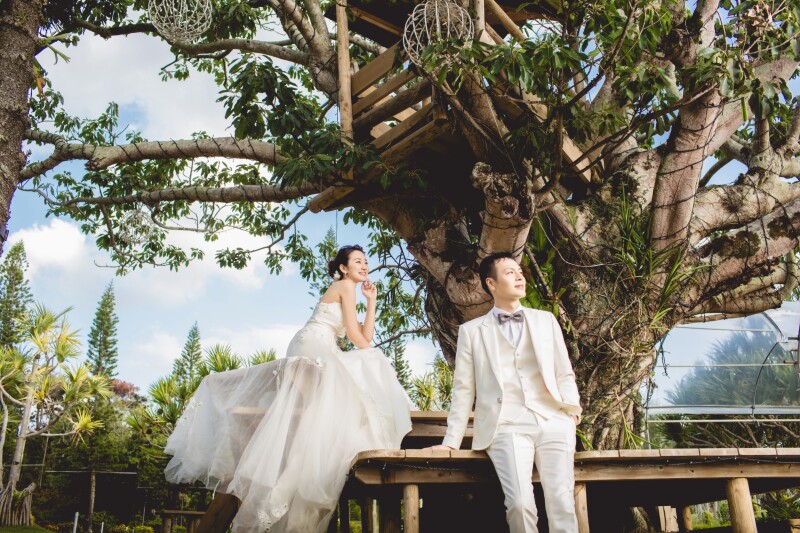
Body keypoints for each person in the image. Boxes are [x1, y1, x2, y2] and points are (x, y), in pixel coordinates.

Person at [164, 245, 412, 533]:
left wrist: (372, 302)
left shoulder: (352, 290)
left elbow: (364, 336)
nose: (364, 265)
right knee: (366, 365)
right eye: (358, 261)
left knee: (350, 381)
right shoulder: (344, 285)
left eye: (366, 261)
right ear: (343, 268)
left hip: (323, 344)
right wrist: (371, 353)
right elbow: (360, 341)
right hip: (313, 345)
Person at [429, 252, 582, 533]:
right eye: (510, 272)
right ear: (491, 283)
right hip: (506, 426)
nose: (520, 276)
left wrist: (571, 411)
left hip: (553, 421)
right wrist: (451, 441)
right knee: (520, 504)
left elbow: (564, 372)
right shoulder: (472, 332)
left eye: (519, 271)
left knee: (561, 501)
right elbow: (463, 391)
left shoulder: (545, 320)